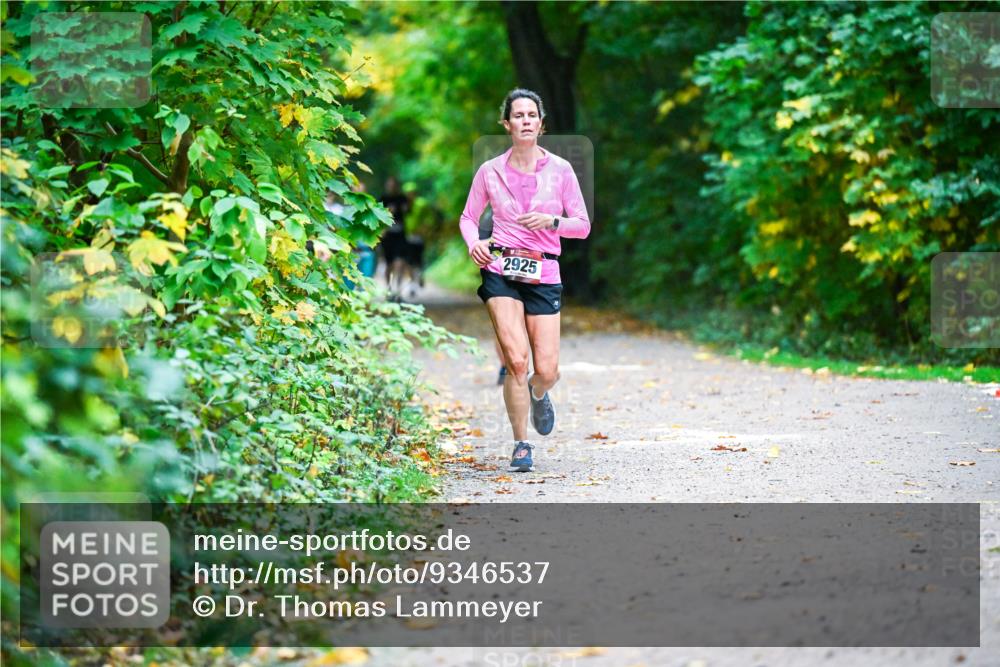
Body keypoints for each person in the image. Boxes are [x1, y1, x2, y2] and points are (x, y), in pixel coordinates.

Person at [458, 88, 590, 472]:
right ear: (507, 123)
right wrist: (474, 244)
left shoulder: (561, 170)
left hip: (544, 270)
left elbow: (582, 226)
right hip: (501, 269)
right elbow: (468, 218)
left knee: (546, 370)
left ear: (541, 124)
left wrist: (552, 222)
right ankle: (520, 444)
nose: (526, 120)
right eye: (518, 115)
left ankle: (538, 392)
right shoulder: (490, 171)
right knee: (517, 361)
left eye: (532, 115)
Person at [379, 176, 411, 297]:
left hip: (400, 235)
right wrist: (388, 212)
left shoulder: (402, 198)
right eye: (389, 184)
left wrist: (406, 206)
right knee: (389, 264)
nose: (391, 187)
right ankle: (389, 289)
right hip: (387, 236)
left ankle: (398, 290)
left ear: (396, 186)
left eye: (394, 185)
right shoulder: (383, 199)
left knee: (400, 263)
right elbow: (377, 216)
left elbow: (408, 211)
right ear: (387, 186)